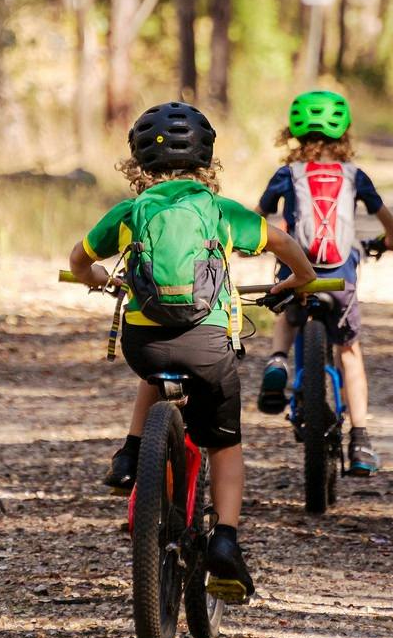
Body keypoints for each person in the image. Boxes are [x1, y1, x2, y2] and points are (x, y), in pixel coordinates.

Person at [68, 101, 314, 603]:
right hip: (207, 347)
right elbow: (285, 244)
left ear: (138, 165)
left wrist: (100, 282)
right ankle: (225, 540)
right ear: (207, 162)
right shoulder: (222, 213)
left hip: (146, 346)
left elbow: (79, 260)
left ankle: (131, 454)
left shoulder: (131, 212)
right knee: (224, 443)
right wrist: (301, 281)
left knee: (156, 361)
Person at [254, 90, 393, 475]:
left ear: (294, 134)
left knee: (285, 310)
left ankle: (277, 362)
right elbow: (389, 222)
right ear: (345, 134)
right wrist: (389, 241)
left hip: (298, 276)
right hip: (339, 278)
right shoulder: (355, 175)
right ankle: (361, 441)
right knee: (350, 352)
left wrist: (247, 244)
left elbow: (257, 218)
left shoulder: (287, 174)